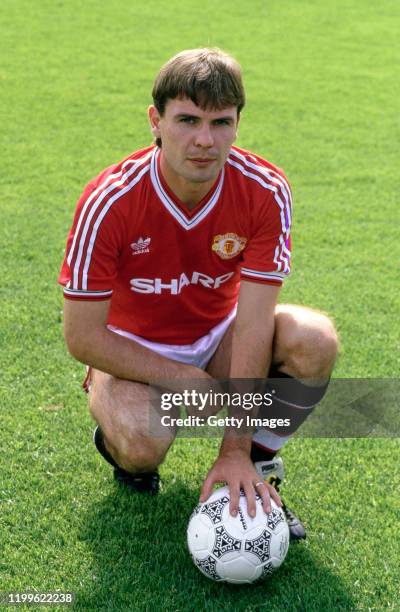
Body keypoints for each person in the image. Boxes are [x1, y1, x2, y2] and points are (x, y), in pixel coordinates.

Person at [59, 48, 338, 541]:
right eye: (187, 120)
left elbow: (254, 322)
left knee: (313, 339)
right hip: (133, 348)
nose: (205, 140)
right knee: (143, 443)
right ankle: (119, 442)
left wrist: (234, 446)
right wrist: (182, 378)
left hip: (218, 335)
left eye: (221, 123)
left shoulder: (264, 190)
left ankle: (257, 465)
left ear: (237, 124)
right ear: (156, 121)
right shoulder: (110, 201)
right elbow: (82, 336)